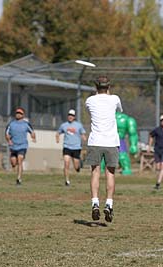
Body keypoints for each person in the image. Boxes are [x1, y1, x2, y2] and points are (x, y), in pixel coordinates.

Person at [85, 75, 122, 223]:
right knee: (110, 173)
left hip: (95, 141)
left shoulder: (90, 100)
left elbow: (90, 111)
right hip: (111, 142)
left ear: (95, 87)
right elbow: (119, 110)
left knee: (95, 172)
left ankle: (95, 202)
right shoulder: (115, 99)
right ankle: (109, 204)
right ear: (109, 86)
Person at [5, 107, 36, 186]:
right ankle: (15, 167)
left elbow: (32, 132)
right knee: (13, 163)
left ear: (23, 115)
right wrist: (9, 140)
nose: (18, 114)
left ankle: (19, 179)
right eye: (17, 113)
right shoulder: (11, 124)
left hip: (22, 146)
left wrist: (33, 137)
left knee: (20, 160)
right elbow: (7, 134)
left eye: (20, 113)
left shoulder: (26, 124)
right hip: (13, 146)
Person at [56, 109, 86, 186]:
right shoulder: (64, 125)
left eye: (72, 115)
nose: (70, 117)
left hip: (76, 147)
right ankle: (67, 181)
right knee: (66, 163)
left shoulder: (79, 125)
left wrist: (84, 139)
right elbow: (58, 132)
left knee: (76, 167)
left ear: (74, 117)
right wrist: (57, 138)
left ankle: (79, 166)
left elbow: (83, 134)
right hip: (67, 147)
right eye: (69, 115)